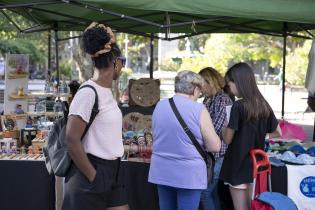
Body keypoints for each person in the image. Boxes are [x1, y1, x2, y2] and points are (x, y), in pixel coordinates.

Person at [62, 22, 129, 210]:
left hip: (113, 170)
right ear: (116, 63)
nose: (123, 66)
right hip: (89, 173)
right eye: (123, 61)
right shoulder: (88, 92)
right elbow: (71, 139)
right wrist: (94, 176)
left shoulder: (105, 91)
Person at [148, 70, 221, 210]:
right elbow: (214, 146)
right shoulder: (199, 109)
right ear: (195, 89)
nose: (200, 95)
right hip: (188, 175)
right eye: (200, 91)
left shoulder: (160, 106)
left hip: (161, 171)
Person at [220, 63, 282, 210]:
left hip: (237, 165)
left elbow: (227, 139)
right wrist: (258, 136)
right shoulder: (263, 104)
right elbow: (278, 132)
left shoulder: (238, 106)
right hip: (256, 165)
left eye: (229, 84)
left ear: (238, 82)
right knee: (254, 206)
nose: (230, 89)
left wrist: (224, 126)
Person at [199, 67, 233, 210]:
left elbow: (215, 128)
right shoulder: (208, 99)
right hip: (211, 154)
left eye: (201, 84)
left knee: (206, 192)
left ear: (210, 82)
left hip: (219, 155)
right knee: (211, 193)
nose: (199, 89)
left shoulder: (222, 100)